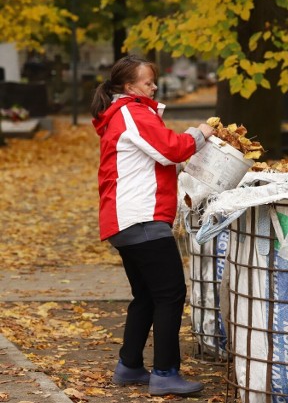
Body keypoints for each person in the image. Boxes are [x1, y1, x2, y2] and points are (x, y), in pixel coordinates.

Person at [90, 54, 214, 396]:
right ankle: (165, 373)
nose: (154, 85)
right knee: (170, 293)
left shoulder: (126, 113)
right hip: (140, 217)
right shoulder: (132, 112)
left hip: (127, 219)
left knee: (145, 295)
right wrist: (200, 134)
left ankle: (129, 366)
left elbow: (157, 156)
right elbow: (170, 149)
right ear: (129, 86)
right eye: (148, 81)